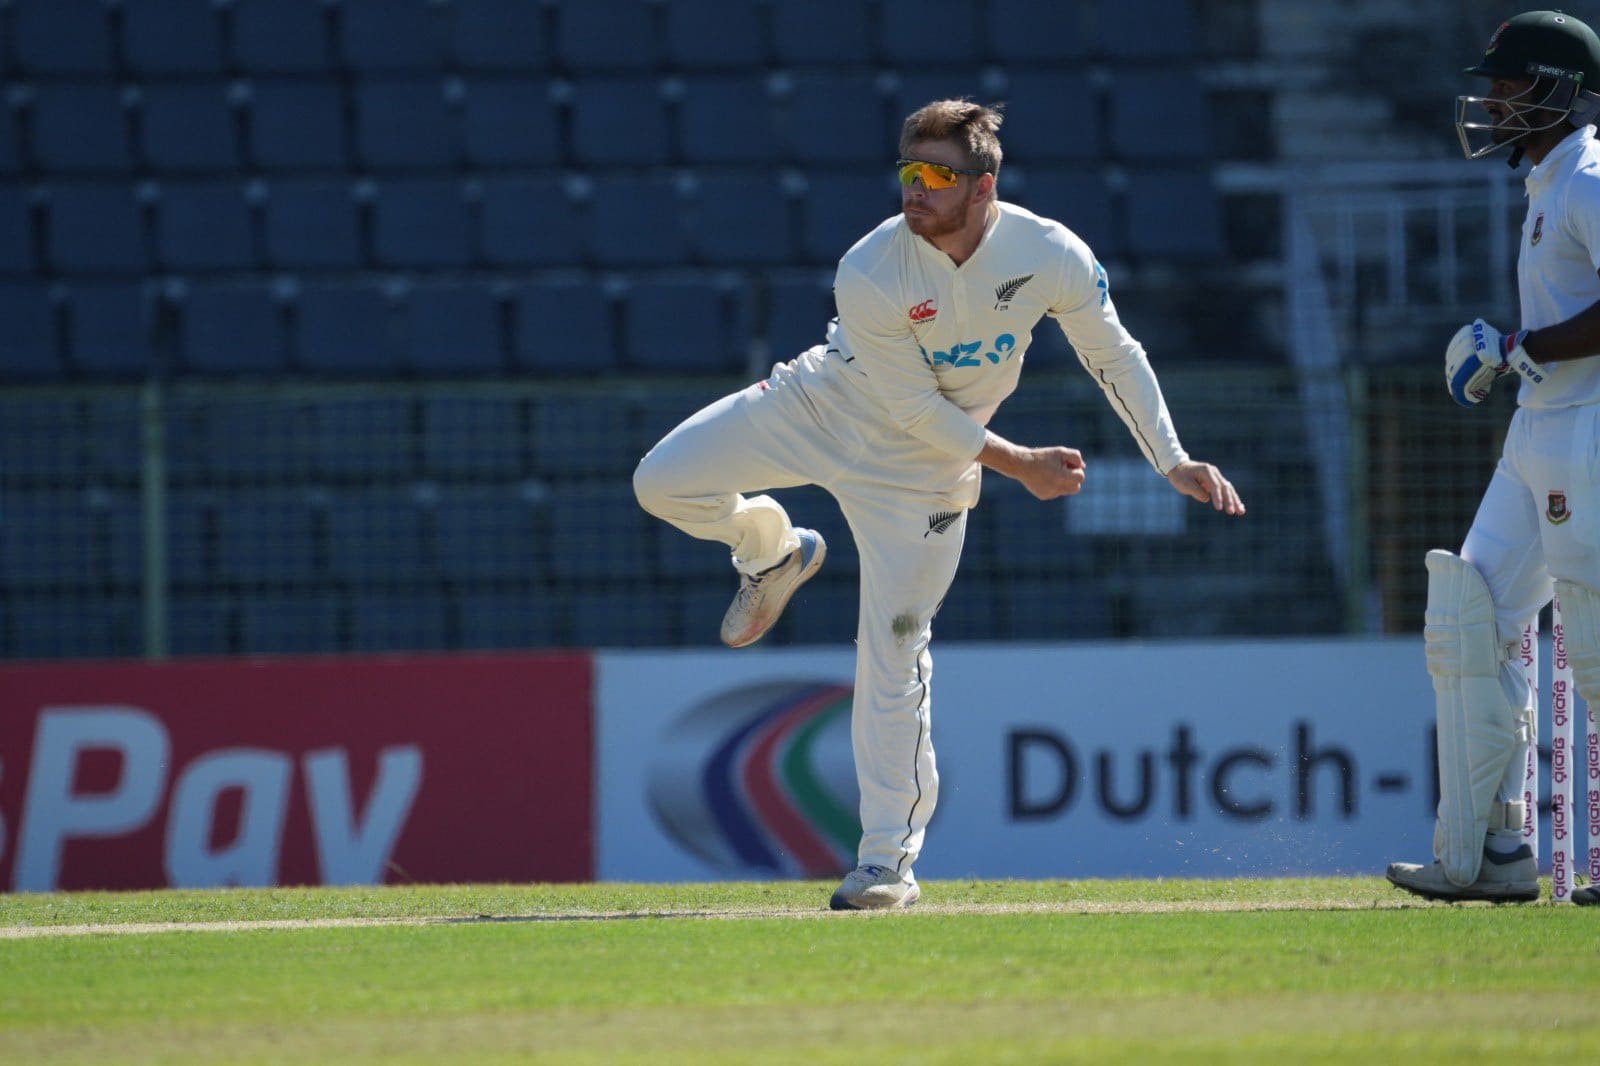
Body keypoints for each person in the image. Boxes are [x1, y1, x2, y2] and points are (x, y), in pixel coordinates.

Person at [633, 100, 1246, 911]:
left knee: (893, 648)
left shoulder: (1048, 252)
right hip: (823, 405)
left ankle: (885, 863)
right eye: (908, 173)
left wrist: (1169, 457)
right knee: (661, 481)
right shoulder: (871, 266)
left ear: (982, 186)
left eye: (937, 176)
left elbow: (1113, 353)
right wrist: (1020, 463)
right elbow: (913, 405)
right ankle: (769, 547)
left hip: (922, 475)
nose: (915, 191)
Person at [1387, 10, 1600, 904]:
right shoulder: (1549, 179)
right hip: (1537, 426)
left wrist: (1523, 347)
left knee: (1592, 647)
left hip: (1588, 428)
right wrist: (1523, 356)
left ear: (1555, 86)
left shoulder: (1589, 178)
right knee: (1470, 615)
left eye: (1510, 83)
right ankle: (1494, 853)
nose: (1494, 99)